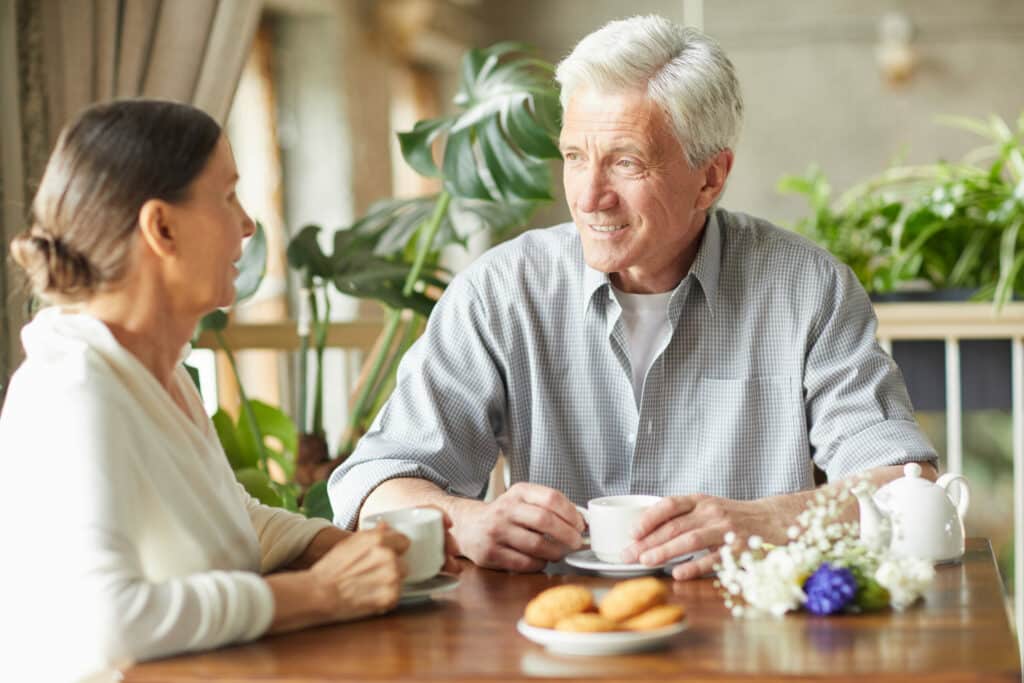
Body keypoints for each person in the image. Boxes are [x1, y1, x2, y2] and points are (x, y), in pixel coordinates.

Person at [328, 16, 937, 580]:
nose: (589, 196)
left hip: (750, 629)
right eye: (574, 157)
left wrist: (764, 521)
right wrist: (467, 519)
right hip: (553, 635)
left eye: (626, 163)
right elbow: (375, 481)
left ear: (710, 177)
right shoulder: (501, 291)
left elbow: (903, 485)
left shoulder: (808, 290)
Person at [0, 99, 457, 682]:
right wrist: (319, 594)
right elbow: (108, 622)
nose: (247, 224)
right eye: (227, 197)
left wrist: (330, 546)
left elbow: (227, 519)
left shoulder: (159, 375)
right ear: (161, 227)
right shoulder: (72, 392)